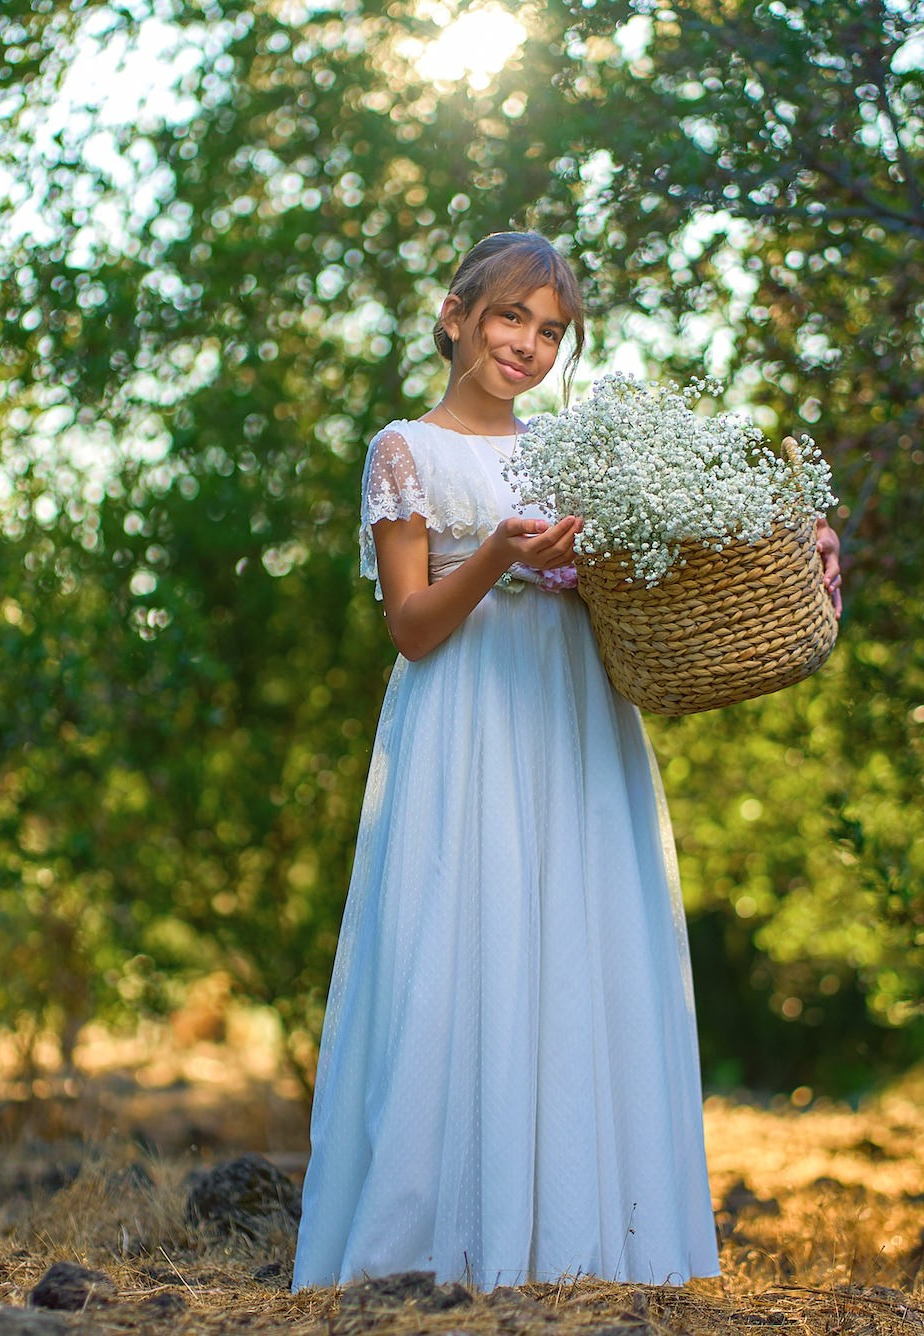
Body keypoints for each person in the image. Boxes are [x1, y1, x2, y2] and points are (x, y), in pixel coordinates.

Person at [290, 231, 843, 1291]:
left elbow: (646, 574)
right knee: (469, 938)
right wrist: (498, 549)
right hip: (467, 718)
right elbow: (409, 627)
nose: (528, 345)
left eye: (550, 331)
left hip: (572, 713)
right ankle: (439, 1242)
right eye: (509, 318)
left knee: (573, 942)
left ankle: (581, 1239)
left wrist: (781, 541)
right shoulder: (403, 448)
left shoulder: (569, 450)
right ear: (455, 315)